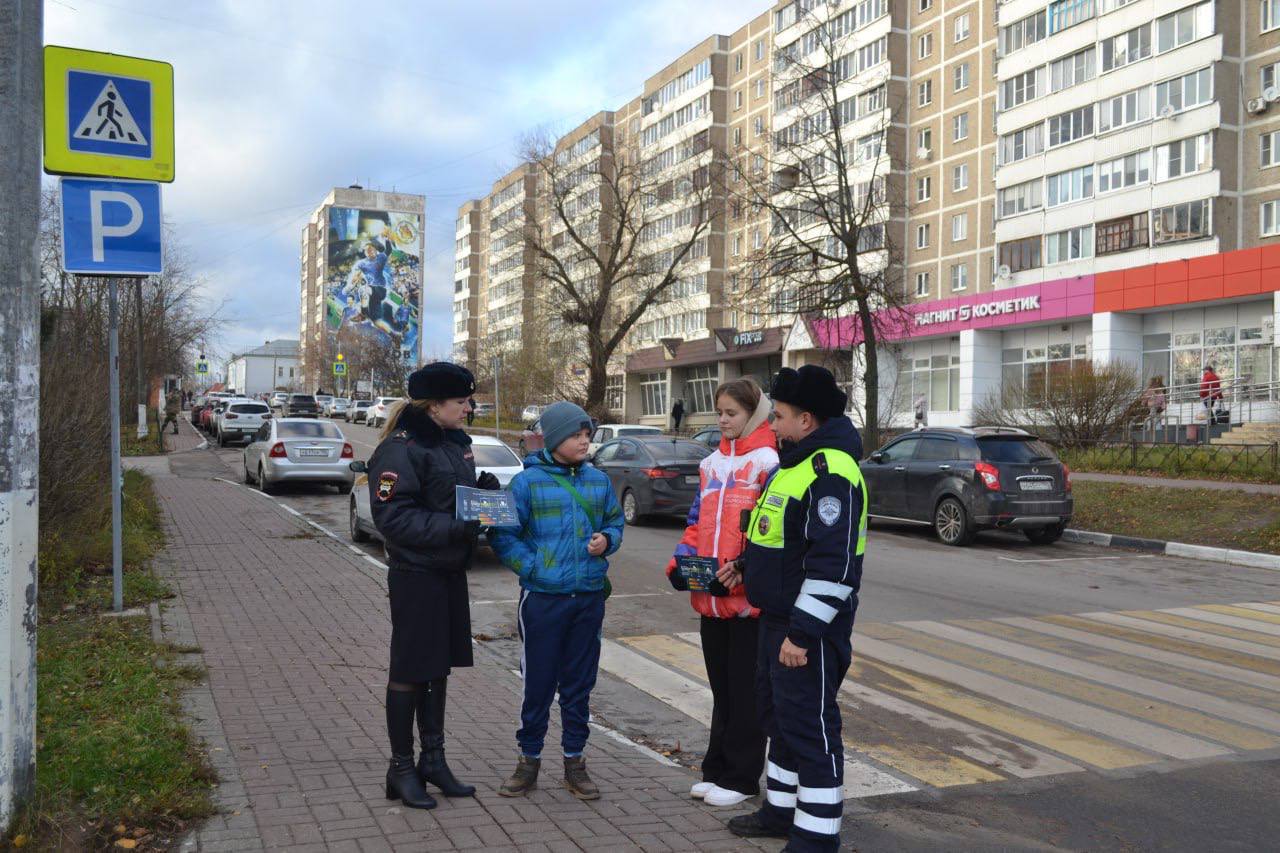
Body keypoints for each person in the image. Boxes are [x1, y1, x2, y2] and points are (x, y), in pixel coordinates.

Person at [726, 365, 866, 853]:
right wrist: (747, 566)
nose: (772, 425)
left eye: (779, 416)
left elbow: (834, 566)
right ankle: (780, 813)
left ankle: (817, 836)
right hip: (777, 620)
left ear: (806, 420)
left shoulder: (831, 471)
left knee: (810, 728)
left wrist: (802, 634)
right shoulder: (795, 464)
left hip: (808, 630)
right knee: (780, 723)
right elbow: (785, 540)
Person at [366, 362, 501, 810]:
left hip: (447, 571)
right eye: (461, 401)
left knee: (437, 667)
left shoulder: (451, 444)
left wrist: (480, 494)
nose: (469, 408)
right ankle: (401, 768)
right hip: (416, 575)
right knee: (409, 670)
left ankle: (433, 761)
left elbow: (444, 500)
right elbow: (394, 518)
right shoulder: (400, 449)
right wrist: (459, 524)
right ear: (434, 405)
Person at [488, 401, 625, 801]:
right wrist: (534, 568)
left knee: (579, 685)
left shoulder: (598, 481)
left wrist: (607, 541)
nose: (585, 442)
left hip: (588, 598)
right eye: (576, 435)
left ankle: (574, 763)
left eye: (587, 435)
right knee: (538, 683)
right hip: (543, 600)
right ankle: (528, 760)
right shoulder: (526, 483)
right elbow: (503, 535)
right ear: (553, 439)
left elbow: (614, 522)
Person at [666, 378, 777, 807]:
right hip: (710, 598)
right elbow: (697, 522)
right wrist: (681, 562)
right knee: (723, 690)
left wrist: (746, 567)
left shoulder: (769, 462)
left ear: (754, 414)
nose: (723, 420)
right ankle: (717, 770)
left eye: (732, 413)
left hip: (749, 604)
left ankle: (742, 778)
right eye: (720, 412)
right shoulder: (711, 464)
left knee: (746, 694)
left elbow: (770, 532)